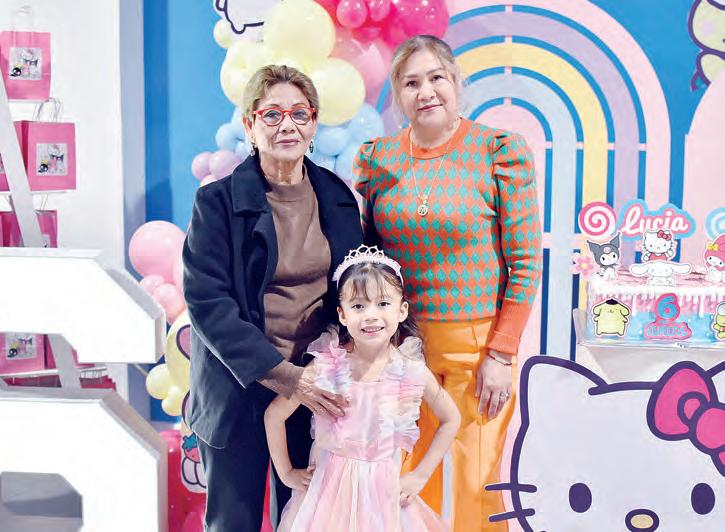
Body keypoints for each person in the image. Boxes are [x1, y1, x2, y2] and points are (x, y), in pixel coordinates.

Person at [353, 36, 543, 531]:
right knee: (409, 478)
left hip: (476, 349)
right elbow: (370, 260)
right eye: (411, 82)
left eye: (436, 77)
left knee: (476, 482)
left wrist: (501, 355)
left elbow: (526, 262)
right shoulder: (377, 160)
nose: (426, 92)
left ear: (456, 82)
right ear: (398, 96)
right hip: (402, 346)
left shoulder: (498, 151)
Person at [182, 64, 363, 531]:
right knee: (233, 522)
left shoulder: (338, 198)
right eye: (272, 114)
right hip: (237, 388)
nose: (288, 125)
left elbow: (353, 289)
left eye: (300, 113)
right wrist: (284, 377)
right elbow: (208, 304)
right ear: (250, 124)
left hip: (313, 387)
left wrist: (331, 362)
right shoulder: (217, 203)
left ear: (314, 123)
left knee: (305, 518)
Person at [265, 245, 461, 531]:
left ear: (402, 310)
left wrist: (421, 475)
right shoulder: (327, 366)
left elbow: (451, 418)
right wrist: (286, 473)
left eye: (383, 304)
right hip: (326, 501)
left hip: (382, 501)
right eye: (358, 306)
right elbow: (274, 415)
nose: (371, 315)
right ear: (342, 315)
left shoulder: (409, 371)